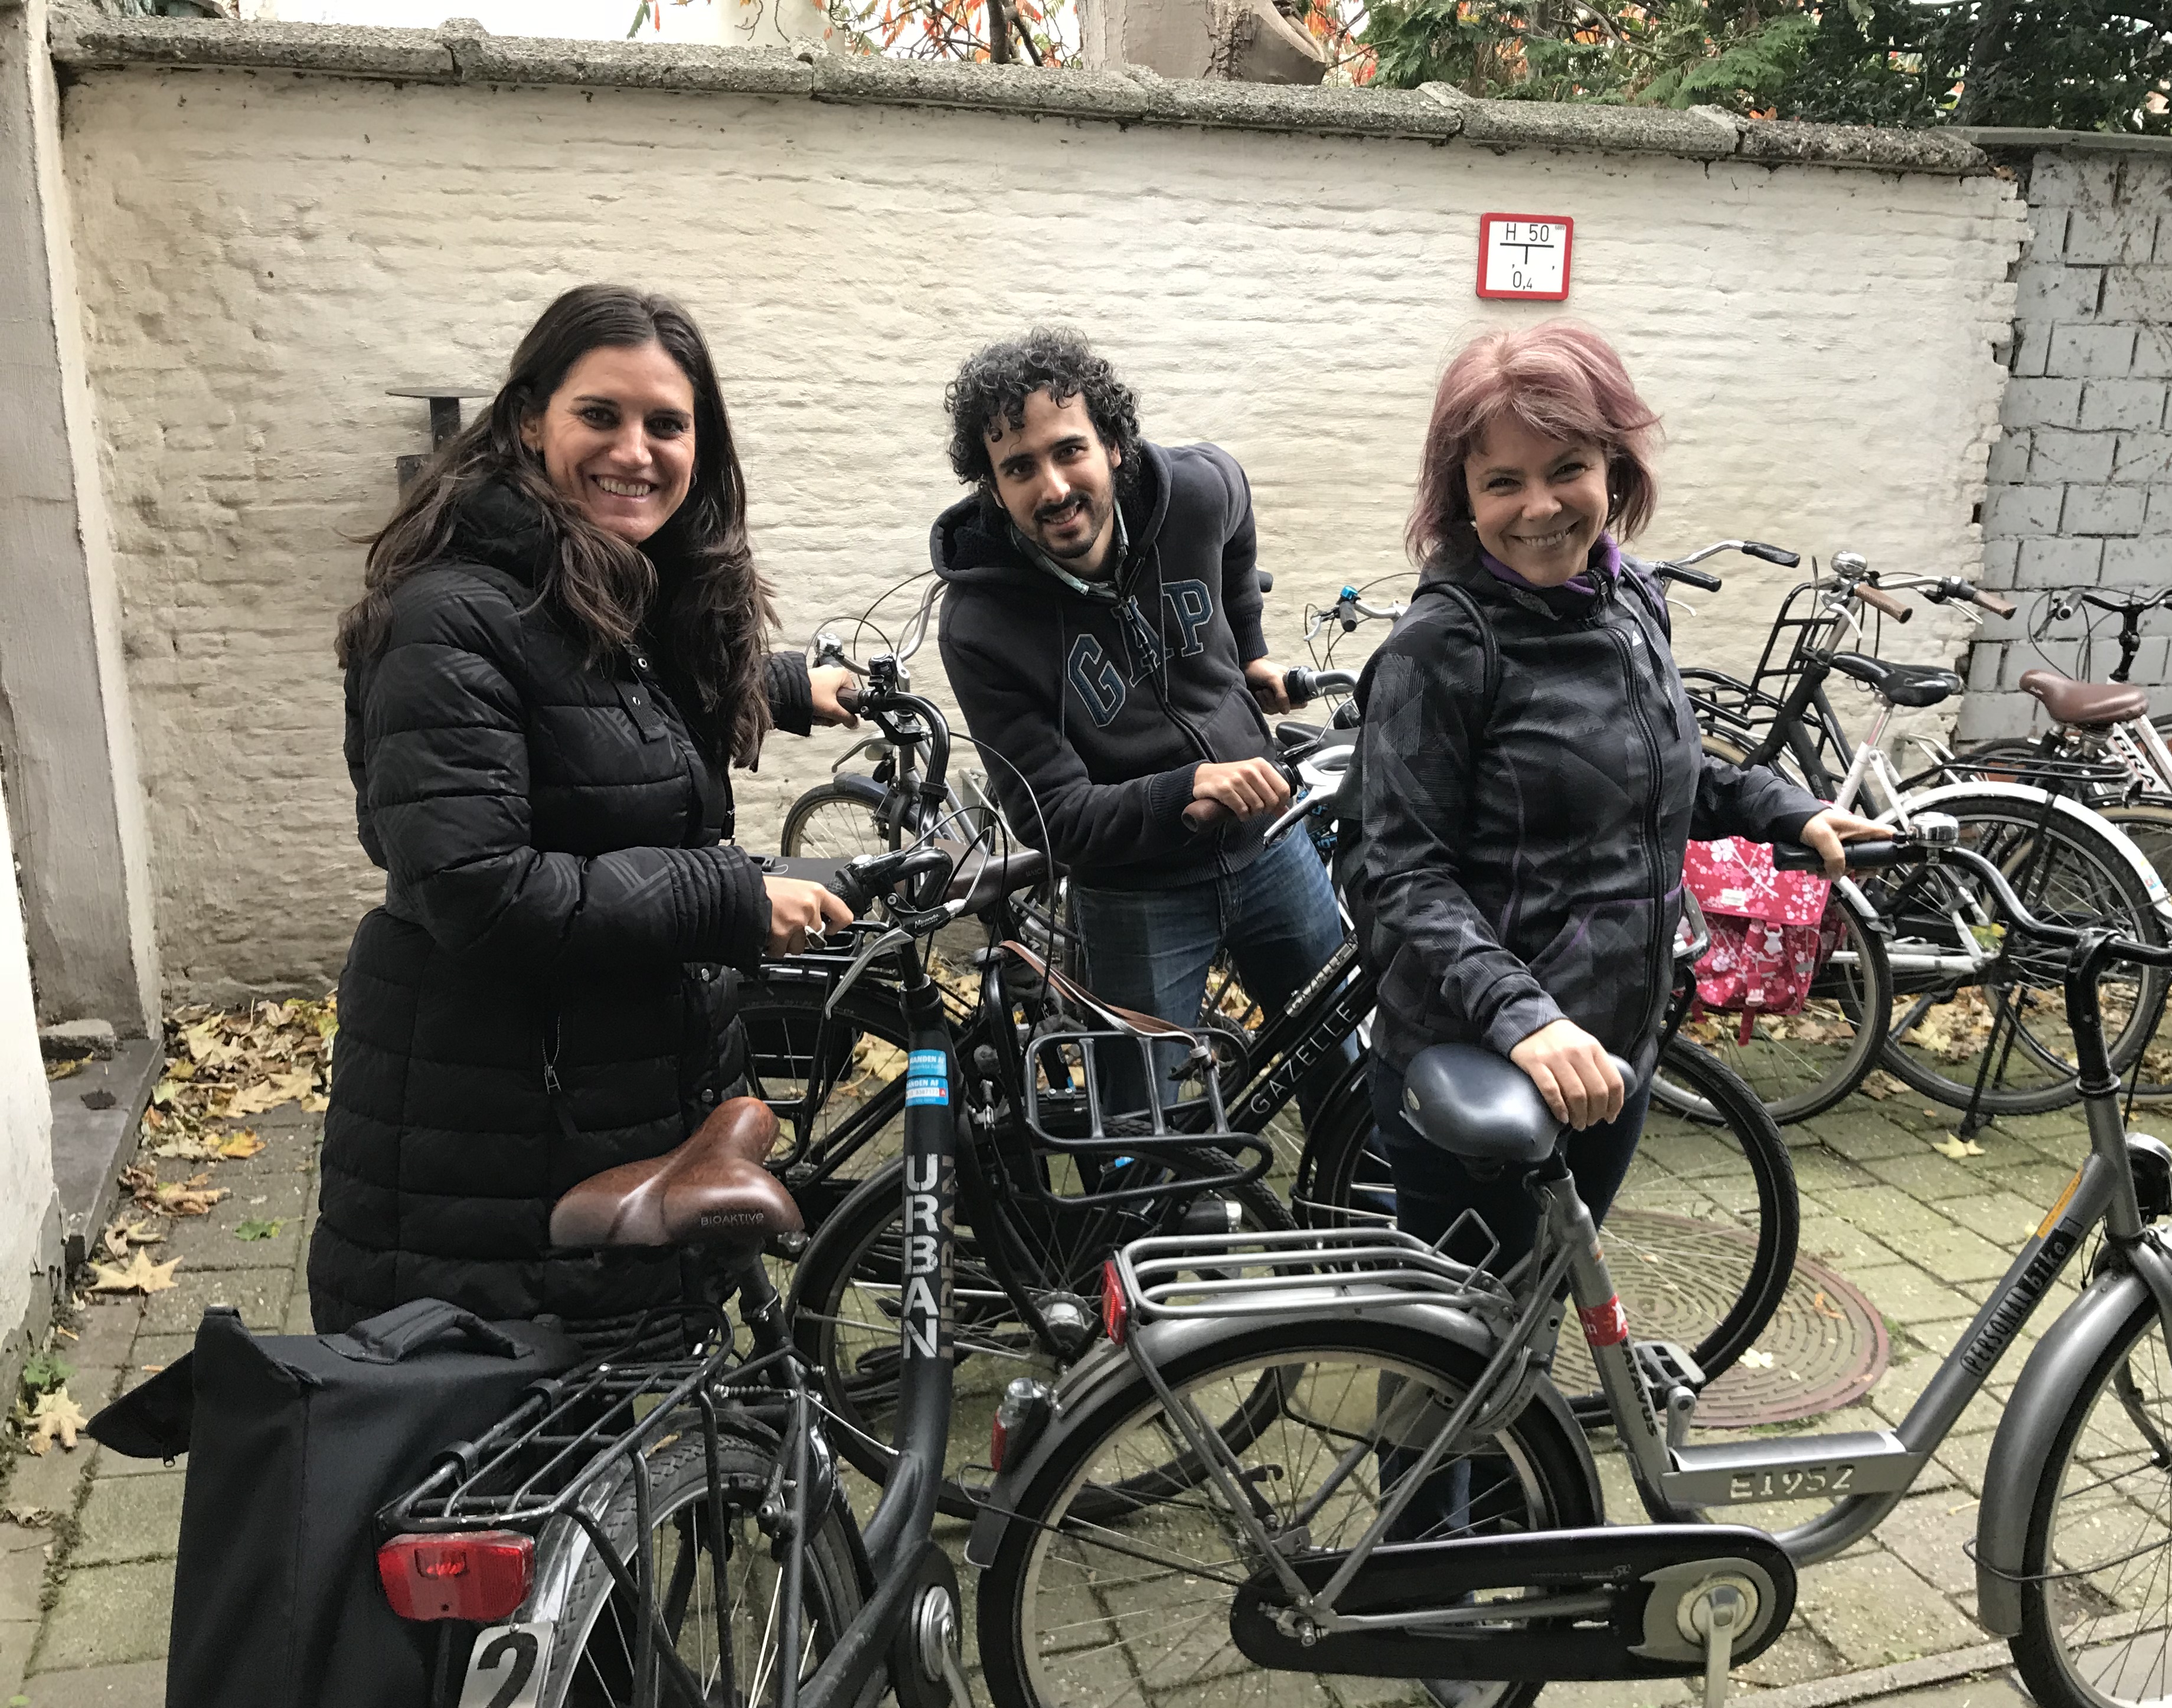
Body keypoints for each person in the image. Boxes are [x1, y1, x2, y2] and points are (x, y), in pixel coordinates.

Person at [311, 284, 858, 1333]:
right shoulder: (449, 616)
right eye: (599, 416)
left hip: (620, 1092)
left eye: (667, 424)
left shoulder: (618, 589)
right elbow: (476, 887)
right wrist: (728, 896)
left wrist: (789, 685)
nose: (635, 451)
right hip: (497, 1138)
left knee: (646, 1443)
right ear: (529, 421)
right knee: (520, 1464)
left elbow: (622, 706)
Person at [1357, 321, 1889, 1278]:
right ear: (1462, 498)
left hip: (1614, 1051)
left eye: (1568, 468)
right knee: (1456, 1359)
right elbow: (1404, 876)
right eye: (1502, 482)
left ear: (1615, 467)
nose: (1541, 507)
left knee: (1545, 1301)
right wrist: (1527, 1018)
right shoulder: (1441, 648)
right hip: (1485, 1059)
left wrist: (1785, 807)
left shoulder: (1632, 600)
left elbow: (1658, 767)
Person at [932, 328, 1349, 1107]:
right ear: (993, 487)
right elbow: (1050, 815)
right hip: (1135, 895)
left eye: (1069, 451)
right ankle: (1136, 1229)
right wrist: (1181, 790)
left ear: (1115, 445)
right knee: (1133, 1126)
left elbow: (1238, 523)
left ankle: (1357, 1219)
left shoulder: (1193, 491)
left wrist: (1250, 647)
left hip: (1274, 848)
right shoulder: (981, 624)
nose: (1052, 488)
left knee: (1343, 1074)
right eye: (1019, 468)